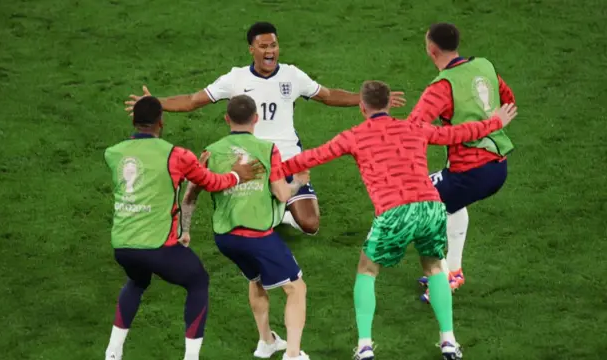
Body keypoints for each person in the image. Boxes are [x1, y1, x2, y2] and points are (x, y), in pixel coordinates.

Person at [279, 81, 518, 360]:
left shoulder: (353, 136)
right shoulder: (414, 126)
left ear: (362, 106)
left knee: (367, 270)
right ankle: (449, 342)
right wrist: (494, 122)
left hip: (395, 211)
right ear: (389, 103)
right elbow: (456, 134)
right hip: (431, 207)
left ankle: (365, 346)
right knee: (434, 269)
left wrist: (268, 168)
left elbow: (312, 157)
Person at [124, 21, 406, 236]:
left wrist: (367, 99)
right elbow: (193, 100)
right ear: (252, 49)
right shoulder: (235, 78)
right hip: (251, 159)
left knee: (310, 224)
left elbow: (328, 95)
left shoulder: (293, 75)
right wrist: (155, 101)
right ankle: (271, 202)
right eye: (263, 46)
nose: (270, 51)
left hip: (287, 157)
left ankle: (278, 208)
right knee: (245, 229)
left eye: (273, 46)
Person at [103, 96, 264, 360]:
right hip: (158, 246)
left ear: (134, 121)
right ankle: (191, 357)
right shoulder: (176, 155)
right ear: (161, 122)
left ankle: (113, 352)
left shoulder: (113, 153)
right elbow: (212, 182)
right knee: (198, 281)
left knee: (137, 280)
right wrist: (237, 174)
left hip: (122, 245)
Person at [180, 95, 311, 360]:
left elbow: (189, 196)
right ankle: (293, 354)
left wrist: (185, 230)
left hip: (226, 239)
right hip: (257, 236)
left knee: (256, 279)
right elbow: (282, 194)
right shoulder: (267, 149)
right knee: (296, 288)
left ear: (227, 119)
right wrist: (298, 182)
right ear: (256, 119)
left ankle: (266, 342)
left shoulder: (210, 152)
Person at [408, 23, 517, 302]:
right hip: (497, 166)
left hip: (470, 171)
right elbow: (508, 100)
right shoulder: (484, 66)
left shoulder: (442, 87)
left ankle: (443, 280)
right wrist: (489, 121)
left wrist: (447, 134)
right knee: (450, 202)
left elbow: (414, 128)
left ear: (431, 50)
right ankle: (454, 271)